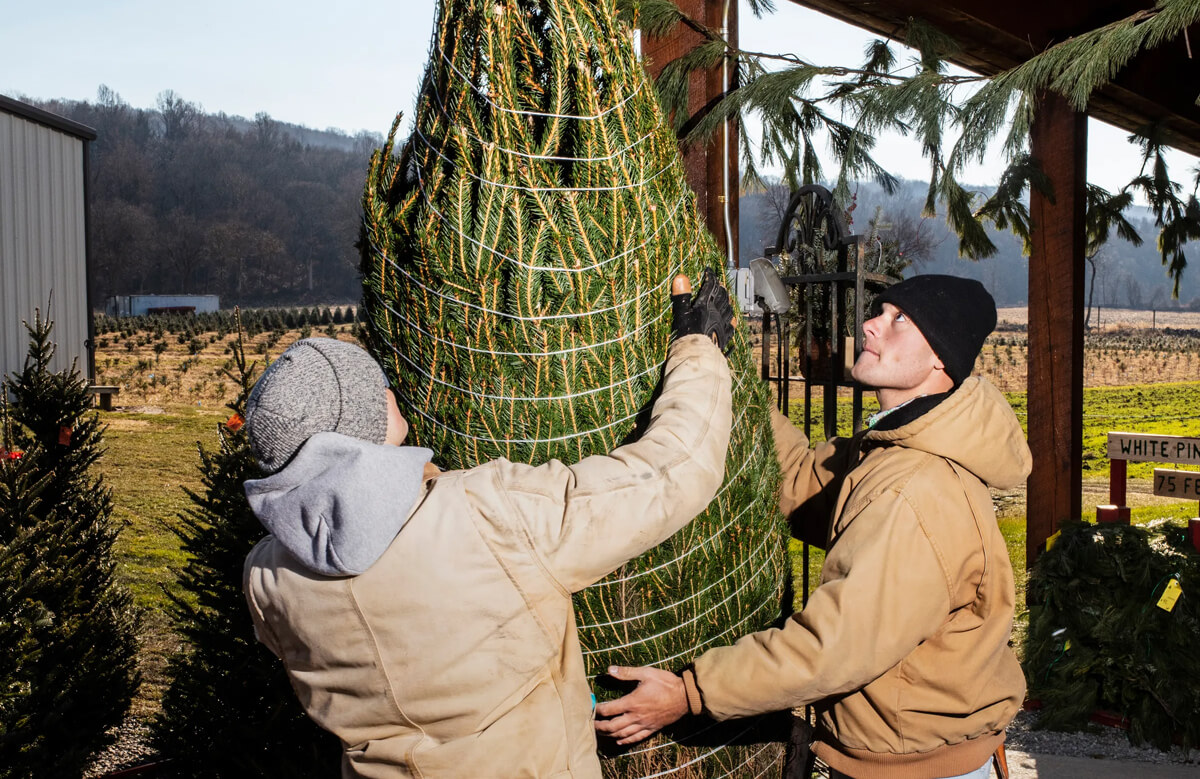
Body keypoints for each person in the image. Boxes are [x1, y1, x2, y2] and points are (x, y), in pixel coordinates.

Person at [241, 273, 736, 778]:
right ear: (360, 434)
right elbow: (670, 473)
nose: (390, 391)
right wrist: (700, 349)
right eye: (376, 391)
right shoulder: (485, 516)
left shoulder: (265, 579)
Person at [595, 274, 1033, 779]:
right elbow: (802, 476)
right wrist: (718, 366)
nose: (870, 325)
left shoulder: (917, 491)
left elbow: (834, 647)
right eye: (879, 311)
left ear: (941, 359)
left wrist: (690, 693)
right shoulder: (895, 449)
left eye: (899, 320)